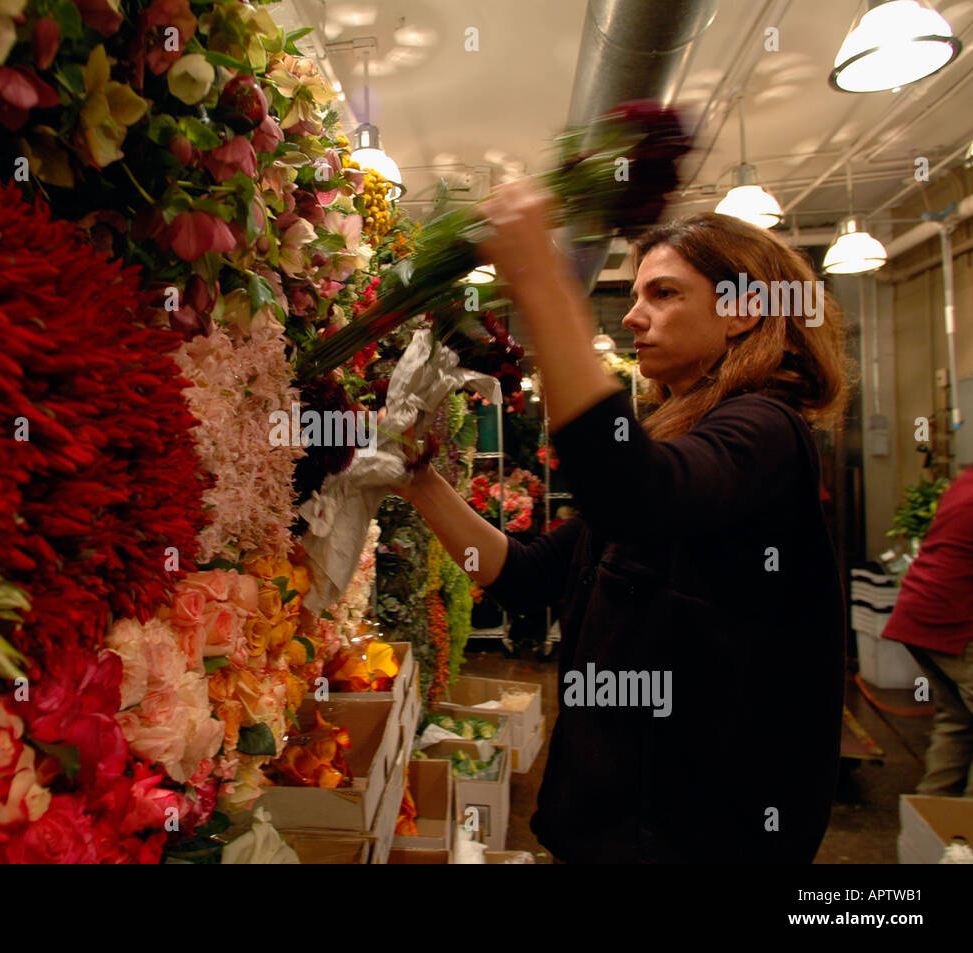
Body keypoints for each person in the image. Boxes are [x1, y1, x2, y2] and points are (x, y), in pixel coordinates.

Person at [393, 180, 849, 863]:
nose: (634, 316)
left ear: (745, 311)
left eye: (663, 293)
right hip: (609, 827)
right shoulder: (684, 440)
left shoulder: (767, 432)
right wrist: (418, 477)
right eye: (635, 295)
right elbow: (526, 575)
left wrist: (544, 283)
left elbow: (636, 492)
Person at [881, 465, 973, 797]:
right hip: (954, 623)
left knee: (957, 723)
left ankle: (935, 823)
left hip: (919, 613)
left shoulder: (965, 480)